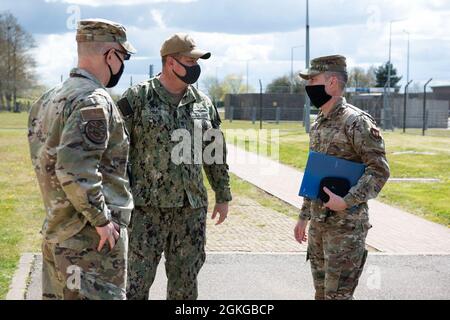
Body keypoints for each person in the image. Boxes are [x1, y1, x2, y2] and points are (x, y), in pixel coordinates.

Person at [27, 18, 135, 300]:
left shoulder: (49, 98)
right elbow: (75, 170)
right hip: (89, 241)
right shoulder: (93, 101)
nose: (122, 65)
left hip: (58, 232)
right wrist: (102, 220)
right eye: (123, 57)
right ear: (110, 55)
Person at [118, 33, 232, 300]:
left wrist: (222, 194)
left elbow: (214, 153)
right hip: (146, 210)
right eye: (189, 61)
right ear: (170, 62)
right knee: (136, 284)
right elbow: (116, 153)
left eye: (197, 61)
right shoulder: (137, 98)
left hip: (189, 212)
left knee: (185, 285)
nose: (195, 66)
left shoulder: (203, 103)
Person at [294, 55, 390, 300]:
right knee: (322, 294)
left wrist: (346, 200)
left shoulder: (356, 122)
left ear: (332, 82)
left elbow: (379, 170)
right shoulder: (319, 123)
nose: (309, 87)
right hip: (319, 224)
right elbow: (315, 173)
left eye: (313, 80)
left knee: (338, 297)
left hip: (346, 228)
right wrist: (304, 217)